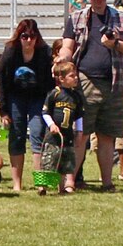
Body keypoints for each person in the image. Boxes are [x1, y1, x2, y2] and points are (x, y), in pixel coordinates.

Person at [58, 0, 123, 191]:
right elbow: (68, 46)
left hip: (114, 83)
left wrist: (116, 44)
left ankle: (107, 183)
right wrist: (62, 58)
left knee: (107, 136)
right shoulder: (76, 18)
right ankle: (70, 182)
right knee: (81, 135)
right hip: (84, 81)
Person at [0, 19, 53, 192]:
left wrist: (49, 108)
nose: (29, 40)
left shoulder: (44, 53)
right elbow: (2, 82)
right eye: (25, 36)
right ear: (19, 37)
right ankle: (17, 184)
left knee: (38, 135)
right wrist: (4, 111)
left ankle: (40, 183)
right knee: (16, 137)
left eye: (32, 36)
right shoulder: (10, 52)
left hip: (38, 99)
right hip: (15, 98)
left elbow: (50, 84)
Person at [39, 59, 85, 195]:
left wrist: (79, 131)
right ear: (61, 78)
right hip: (53, 136)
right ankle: (43, 186)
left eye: (76, 75)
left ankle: (62, 187)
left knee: (65, 163)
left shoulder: (76, 97)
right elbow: (45, 112)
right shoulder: (54, 94)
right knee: (49, 160)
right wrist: (51, 124)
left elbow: (79, 116)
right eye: (72, 76)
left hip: (68, 135)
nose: (75, 78)